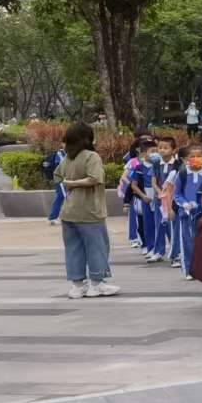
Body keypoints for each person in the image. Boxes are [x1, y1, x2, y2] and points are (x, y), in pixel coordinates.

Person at [56, 122, 118, 298]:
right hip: (90, 211)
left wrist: (68, 184)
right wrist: (75, 183)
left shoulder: (67, 157)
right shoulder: (92, 156)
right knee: (97, 247)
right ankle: (97, 284)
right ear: (87, 138)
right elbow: (95, 179)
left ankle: (77, 285)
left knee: (73, 248)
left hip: (68, 211)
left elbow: (57, 176)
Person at [170, 145, 202, 278]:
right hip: (186, 214)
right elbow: (177, 193)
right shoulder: (183, 174)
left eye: (199, 156)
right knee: (187, 241)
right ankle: (189, 270)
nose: (196, 159)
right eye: (193, 156)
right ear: (187, 159)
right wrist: (185, 204)